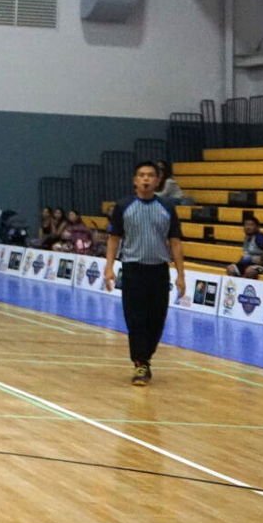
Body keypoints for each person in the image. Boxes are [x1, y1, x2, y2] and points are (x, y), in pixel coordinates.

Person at [104, 162, 186, 386]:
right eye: (141, 175)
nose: (146, 179)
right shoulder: (123, 206)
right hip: (133, 270)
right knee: (136, 318)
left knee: (157, 319)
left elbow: (175, 242)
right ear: (135, 180)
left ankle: (145, 357)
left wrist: (180, 274)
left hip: (159, 270)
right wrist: (109, 267)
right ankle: (140, 362)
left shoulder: (167, 207)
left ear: (158, 180)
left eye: (150, 175)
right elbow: (114, 239)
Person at [227, 212, 263, 278]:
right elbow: (246, 255)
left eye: (251, 225)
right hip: (251, 265)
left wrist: (261, 259)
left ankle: (243, 282)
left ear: (257, 227)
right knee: (231, 269)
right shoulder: (247, 238)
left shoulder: (260, 237)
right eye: (246, 225)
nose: (248, 227)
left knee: (250, 271)